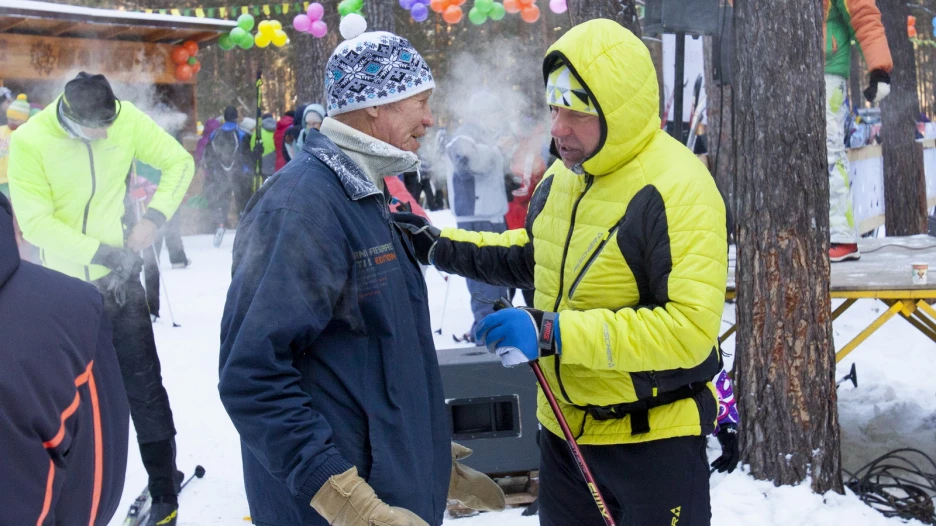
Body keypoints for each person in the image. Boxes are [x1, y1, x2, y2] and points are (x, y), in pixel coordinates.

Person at [395, 19, 727, 525]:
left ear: (618, 109)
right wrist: (437, 246)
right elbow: (533, 255)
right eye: (554, 106)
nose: (557, 127)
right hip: (564, 435)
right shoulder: (565, 176)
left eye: (575, 110)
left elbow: (688, 330)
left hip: (652, 444)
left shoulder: (677, 188)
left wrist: (550, 331)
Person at [218, 27, 504, 526]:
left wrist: (428, 454)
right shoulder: (302, 206)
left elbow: (376, 354)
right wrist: (345, 501)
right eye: (421, 101)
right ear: (377, 104)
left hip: (391, 486)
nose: (430, 118)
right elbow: (253, 375)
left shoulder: (366, 196)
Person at [9, 72, 194, 526]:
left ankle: (164, 487)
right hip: (61, 295)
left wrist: (153, 218)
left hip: (121, 281)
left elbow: (179, 164)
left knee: (145, 386)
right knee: (69, 401)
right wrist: (103, 253)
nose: (108, 134)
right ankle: (69, 495)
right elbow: (34, 223)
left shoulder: (125, 119)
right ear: (71, 123)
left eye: (112, 123)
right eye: (98, 129)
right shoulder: (31, 141)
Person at [0, 192, 130, 526]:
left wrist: (151, 220)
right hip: (62, 280)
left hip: (76, 288)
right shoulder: (32, 143)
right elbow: (95, 487)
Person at [824, 0, 892, 262]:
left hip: (826, 70)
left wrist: (879, 69)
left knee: (829, 151)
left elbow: (863, 12)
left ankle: (842, 235)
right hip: (780, 72)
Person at [444, 122, 510, 342]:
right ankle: (486, 336)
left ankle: (495, 332)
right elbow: (467, 167)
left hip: (491, 217)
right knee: (485, 281)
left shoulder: (482, 134)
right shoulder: (463, 135)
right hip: (477, 219)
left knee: (499, 281)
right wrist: (497, 151)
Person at [204, 105, 255, 247]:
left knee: (222, 201)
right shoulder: (242, 134)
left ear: (224, 118)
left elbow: (209, 155)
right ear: (236, 117)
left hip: (220, 174)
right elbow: (247, 157)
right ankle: (244, 229)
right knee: (243, 202)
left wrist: (211, 172)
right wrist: (256, 153)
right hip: (239, 174)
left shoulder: (214, 134)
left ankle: (220, 225)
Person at [0, 93, 30, 198]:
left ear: (24, 120)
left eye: (16, 120)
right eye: (10, 119)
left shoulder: (27, 134)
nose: (11, 122)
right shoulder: (1, 130)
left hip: (14, 180)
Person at [252, 112, 277, 179]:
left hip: (262, 167)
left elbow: (252, 149)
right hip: (277, 166)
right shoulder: (278, 130)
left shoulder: (257, 132)